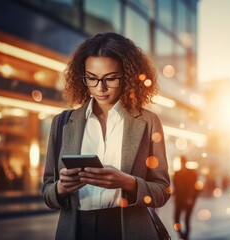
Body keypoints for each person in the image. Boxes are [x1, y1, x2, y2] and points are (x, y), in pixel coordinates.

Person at [42, 32, 170, 240]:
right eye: (91, 78)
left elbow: (162, 191)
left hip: (128, 231)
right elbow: (48, 193)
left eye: (110, 78)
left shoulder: (147, 122)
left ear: (127, 76)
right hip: (77, 230)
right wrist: (61, 187)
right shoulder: (63, 123)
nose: (100, 88)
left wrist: (128, 182)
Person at [173, 155, 199, 240]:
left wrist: (191, 198)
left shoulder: (191, 173)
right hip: (180, 199)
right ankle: (182, 235)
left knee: (187, 219)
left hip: (189, 199)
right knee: (176, 219)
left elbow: (194, 186)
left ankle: (186, 237)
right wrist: (175, 196)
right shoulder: (177, 173)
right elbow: (175, 187)